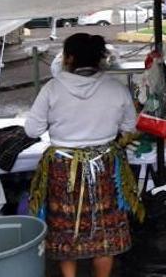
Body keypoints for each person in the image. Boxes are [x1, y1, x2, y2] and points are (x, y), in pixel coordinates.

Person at [24, 33, 142, 277]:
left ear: (68, 58)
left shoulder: (52, 88)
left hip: (62, 169)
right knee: (104, 230)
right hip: (105, 167)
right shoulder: (116, 88)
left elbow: (32, 130)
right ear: (99, 59)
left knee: (65, 228)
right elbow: (130, 127)